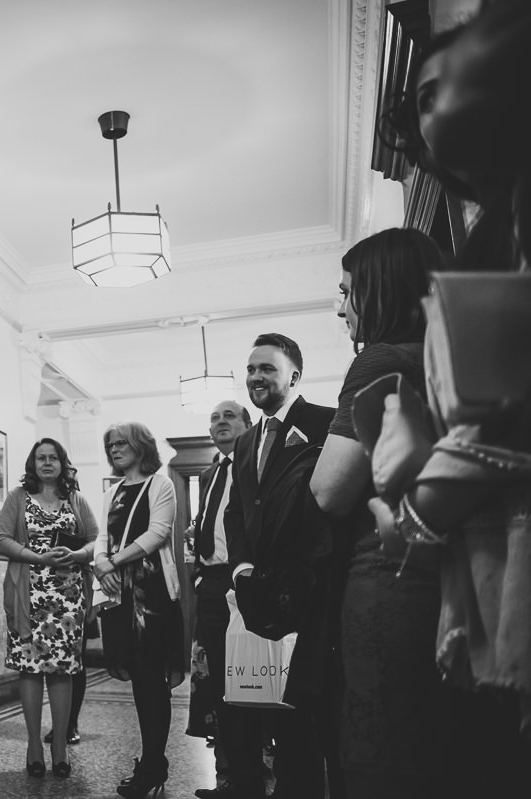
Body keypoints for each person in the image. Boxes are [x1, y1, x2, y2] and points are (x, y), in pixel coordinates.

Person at [365, 4, 531, 786]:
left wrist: (419, 510)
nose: (444, 108)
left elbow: (510, 409)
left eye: (459, 85)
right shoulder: (490, 225)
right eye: (426, 96)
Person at [308, 228, 452, 798]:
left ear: (380, 291)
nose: (340, 307)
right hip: (444, 568)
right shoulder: (444, 356)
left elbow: (330, 488)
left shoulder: (381, 360)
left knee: (380, 746)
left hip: (389, 572)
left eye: (348, 291)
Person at [224, 333, 337, 799]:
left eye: (266, 368)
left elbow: (329, 507)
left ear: (294, 374)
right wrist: (242, 568)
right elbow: (238, 512)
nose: (255, 377)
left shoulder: (327, 422)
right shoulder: (247, 441)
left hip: (310, 588)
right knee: (265, 704)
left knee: (307, 714)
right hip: (259, 591)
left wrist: (303, 572)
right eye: (250, 369)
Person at [0, 438, 98, 779]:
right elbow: (2, 540)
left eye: (54, 457)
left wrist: (79, 555)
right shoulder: (17, 498)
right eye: (41, 458)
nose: (48, 463)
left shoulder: (75, 499)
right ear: (33, 463)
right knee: (30, 667)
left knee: (62, 668)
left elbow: (97, 539)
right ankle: (34, 745)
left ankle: (60, 745)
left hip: (67, 596)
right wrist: (37, 557)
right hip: (29, 593)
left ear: (63, 462)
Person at [92, 422, 183, 799]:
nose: (114, 449)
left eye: (121, 443)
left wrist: (112, 562)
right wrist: (100, 562)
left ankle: (153, 763)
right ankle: (151, 762)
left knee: (151, 681)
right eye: (110, 444)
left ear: (141, 446)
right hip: (117, 594)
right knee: (137, 677)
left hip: (151, 597)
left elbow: (157, 533)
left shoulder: (161, 484)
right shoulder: (112, 490)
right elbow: (102, 535)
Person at [189, 401, 260, 799]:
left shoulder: (258, 463)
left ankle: (260, 774)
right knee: (220, 686)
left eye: (229, 415)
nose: (220, 422)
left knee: (254, 680)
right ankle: (231, 775)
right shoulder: (208, 473)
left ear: (247, 425)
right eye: (214, 417)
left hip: (249, 580)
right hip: (213, 584)